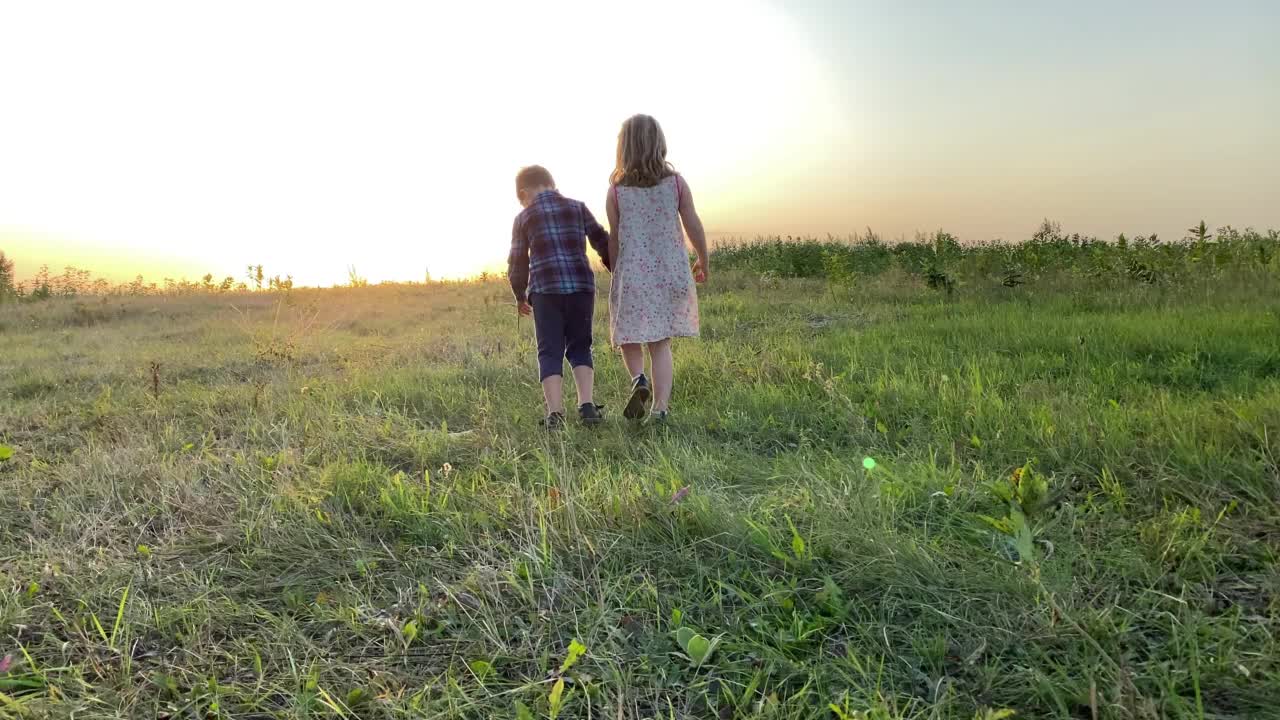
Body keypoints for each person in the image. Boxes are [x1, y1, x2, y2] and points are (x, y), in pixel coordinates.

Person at [606, 114, 709, 423]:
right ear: (659, 144)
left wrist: (615, 271)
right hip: (669, 273)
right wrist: (703, 258)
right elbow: (692, 223)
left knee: (628, 335)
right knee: (660, 343)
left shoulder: (616, 191)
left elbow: (615, 236)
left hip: (634, 276)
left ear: (623, 148)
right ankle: (660, 409)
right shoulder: (675, 184)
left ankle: (638, 378)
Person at [508, 165, 612, 429]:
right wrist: (614, 266)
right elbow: (601, 239)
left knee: (549, 350)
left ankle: (555, 414)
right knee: (580, 345)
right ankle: (587, 405)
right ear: (552, 184)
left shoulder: (523, 218)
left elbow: (518, 260)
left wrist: (519, 294)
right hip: (580, 288)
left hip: (545, 291)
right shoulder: (577, 207)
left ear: (523, 193)